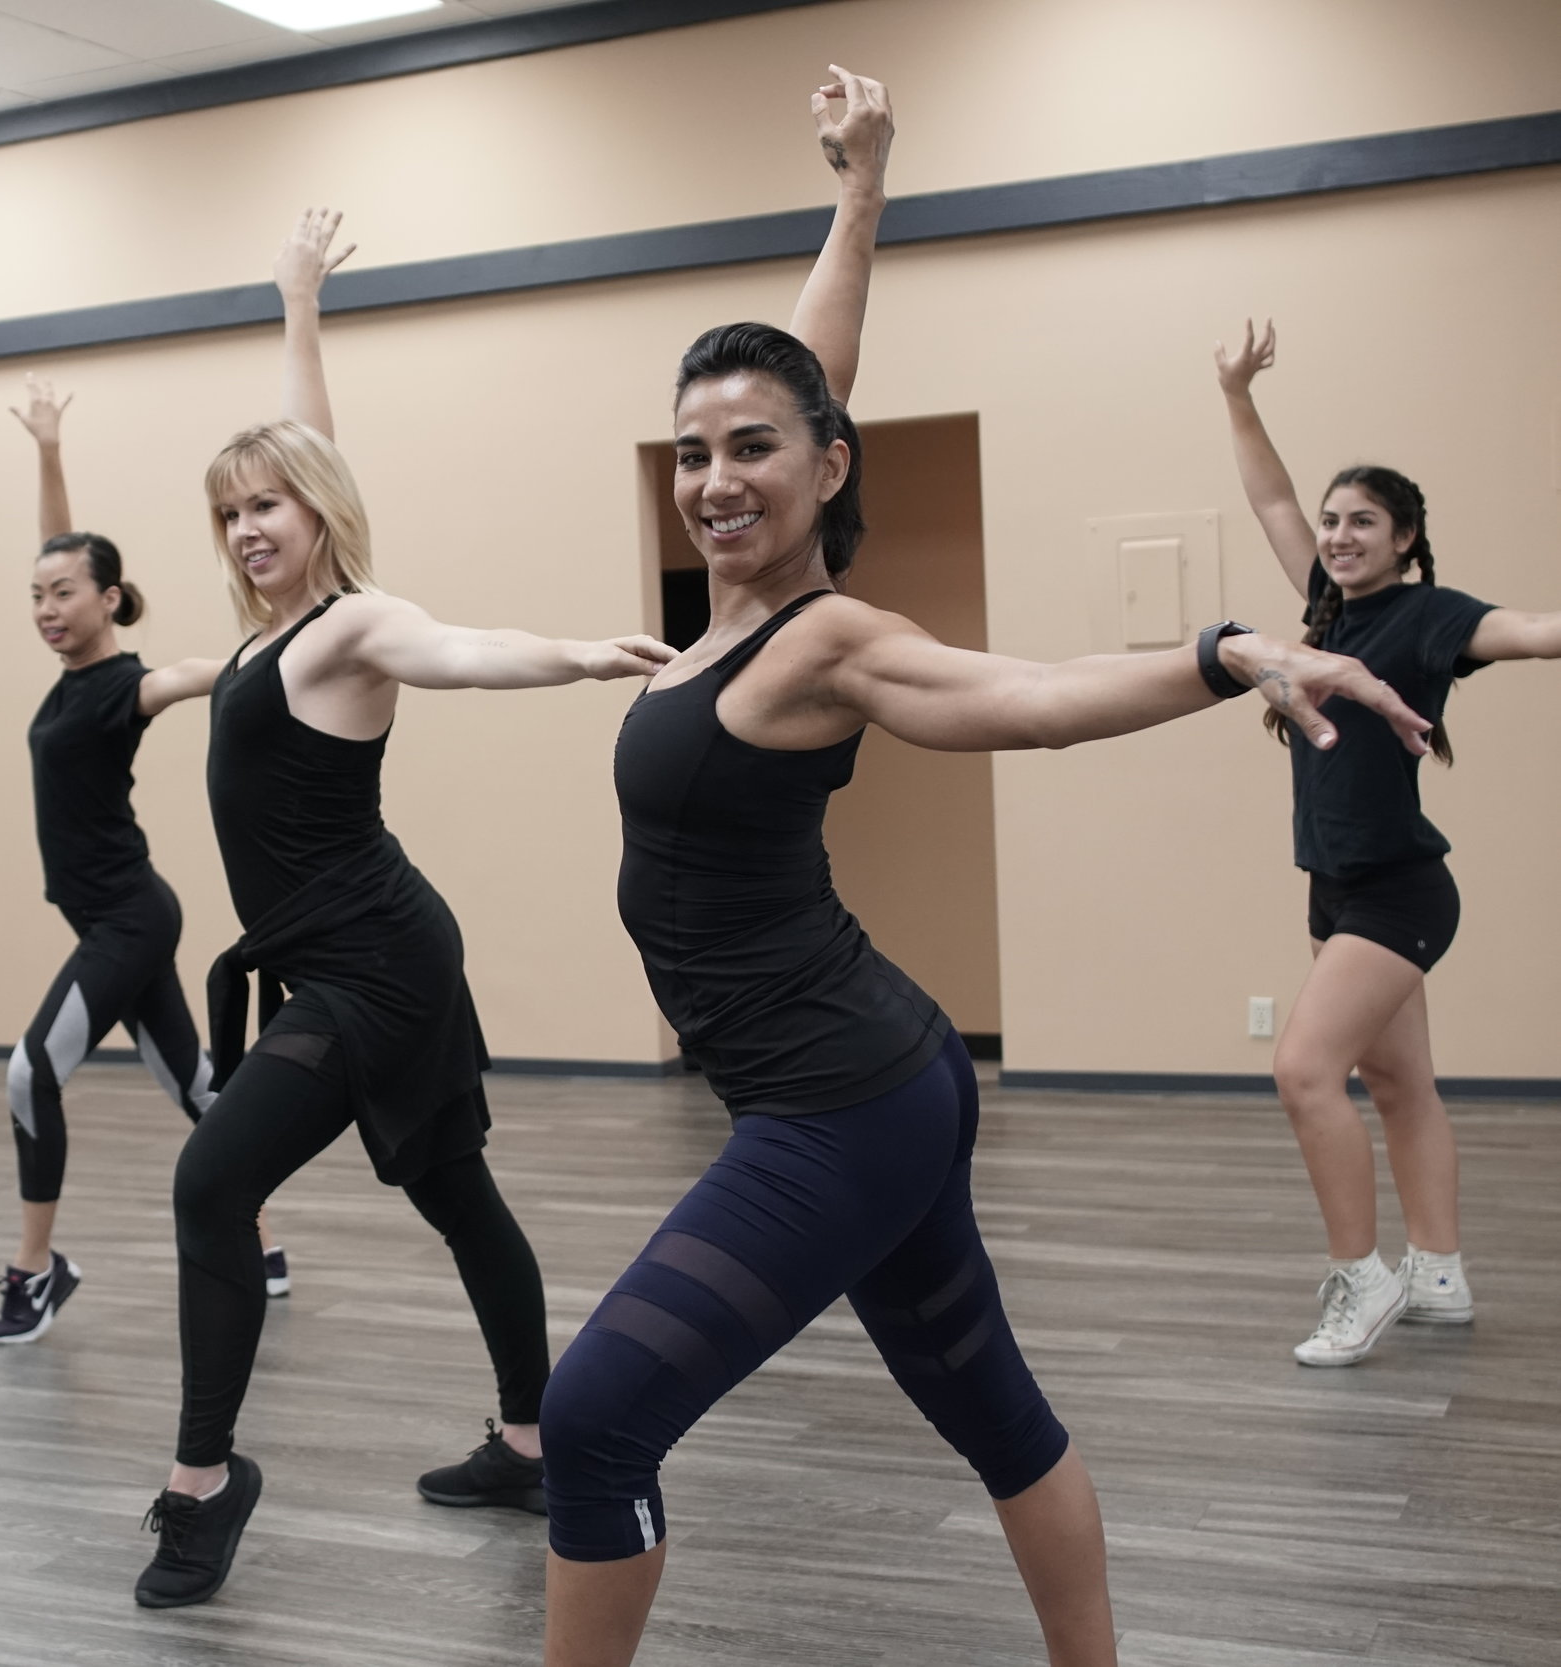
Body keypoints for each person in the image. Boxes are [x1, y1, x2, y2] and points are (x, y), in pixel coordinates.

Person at [537, 73, 1434, 1667]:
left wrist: (1223, 652)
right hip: (882, 1068)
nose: (716, 477)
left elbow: (1021, 702)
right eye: (692, 452)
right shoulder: (739, 611)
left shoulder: (835, 639)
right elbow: (818, 367)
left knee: (595, 1414)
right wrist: (864, 187)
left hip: (842, 1100)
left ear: (830, 467)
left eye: (754, 450)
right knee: (995, 1414)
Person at [129, 209, 676, 1610]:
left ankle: (202, 1483)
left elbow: (461, 649)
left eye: (271, 503)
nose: (251, 525)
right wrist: (299, 302)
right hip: (369, 950)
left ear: (319, 516)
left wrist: (577, 653)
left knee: (212, 1181)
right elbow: (316, 439)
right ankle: (534, 1435)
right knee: (451, 1188)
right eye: (231, 508)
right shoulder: (269, 629)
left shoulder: (352, 625)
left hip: (371, 968)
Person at [1214, 320, 1561, 1365]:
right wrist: (1235, 392)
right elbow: (1271, 499)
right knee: (1402, 1085)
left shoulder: (1427, 617)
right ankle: (1440, 1271)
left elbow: (1539, 631)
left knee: (1303, 1069)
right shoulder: (1322, 615)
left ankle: (1360, 1280)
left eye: (1362, 521)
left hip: (1399, 893)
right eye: (1332, 520)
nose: (1336, 533)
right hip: (1335, 889)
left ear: (1405, 537)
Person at [0, 378, 284, 1345]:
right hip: (118, 918)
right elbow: (60, 550)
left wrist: (282, 648)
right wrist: (47, 451)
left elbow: (204, 674)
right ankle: (266, 1243)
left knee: (33, 1073)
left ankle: (37, 1272)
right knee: (200, 1089)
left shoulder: (124, 687)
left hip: (128, 916)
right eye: (36, 595)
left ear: (108, 601)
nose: (46, 606)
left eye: (64, 594)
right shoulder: (69, 675)